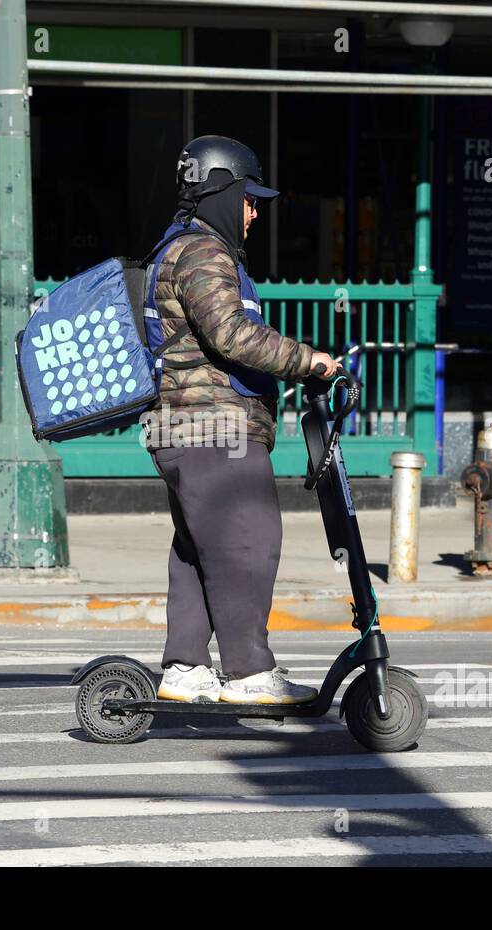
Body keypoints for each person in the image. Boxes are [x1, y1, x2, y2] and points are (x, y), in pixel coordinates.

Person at [143, 135, 341, 705]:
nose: (254, 212)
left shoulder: (173, 249)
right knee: (248, 539)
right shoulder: (205, 253)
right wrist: (311, 362)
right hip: (213, 428)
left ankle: (185, 667)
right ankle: (250, 671)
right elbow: (231, 334)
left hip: (179, 429)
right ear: (221, 192)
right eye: (249, 199)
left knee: (198, 548)